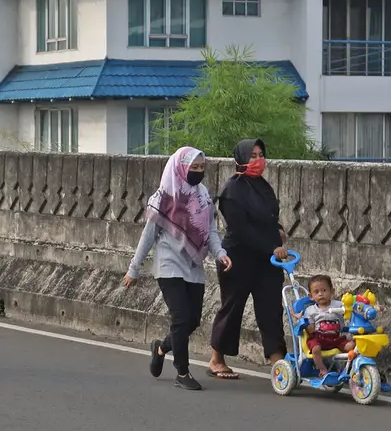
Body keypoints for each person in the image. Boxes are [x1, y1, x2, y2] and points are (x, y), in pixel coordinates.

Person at [123, 146, 231, 391]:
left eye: (202, 168)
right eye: (194, 167)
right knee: (181, 317)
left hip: (194, 265)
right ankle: (182, 372)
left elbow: (211, 231)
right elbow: (147, 236)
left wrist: (221, 253)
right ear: (181, 168)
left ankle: (161, 348)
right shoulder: (164, 196)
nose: (198, 172)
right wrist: (133, 269)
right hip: (168, 265)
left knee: (192, 320)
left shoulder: (203, 195)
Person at [208, 138, 291, 379]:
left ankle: (277, 360)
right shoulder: (232, 191)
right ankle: (216, 359)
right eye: (252, 156)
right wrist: (271, 247)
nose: (257, 160)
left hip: (266, 260)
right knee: (232, 308)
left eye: (260, 154)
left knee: (270, 309)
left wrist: (278, 229)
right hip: (238, 258)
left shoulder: (264, 187)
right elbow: (242, 229)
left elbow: (267, 217)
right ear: (241, 159)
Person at [294, 275, 354, 379]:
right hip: (319, 338)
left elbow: (353, 307)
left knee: (353, 346)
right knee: (316, 348)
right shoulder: (310, 310)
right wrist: (302, 320)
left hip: (336, 339)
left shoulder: (339, 305)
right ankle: (321, 369)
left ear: (332, 291)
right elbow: (311, 331)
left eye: (324, 290)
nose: (321, 294)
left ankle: (351, 370)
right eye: (316, 292)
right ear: (311, 296)